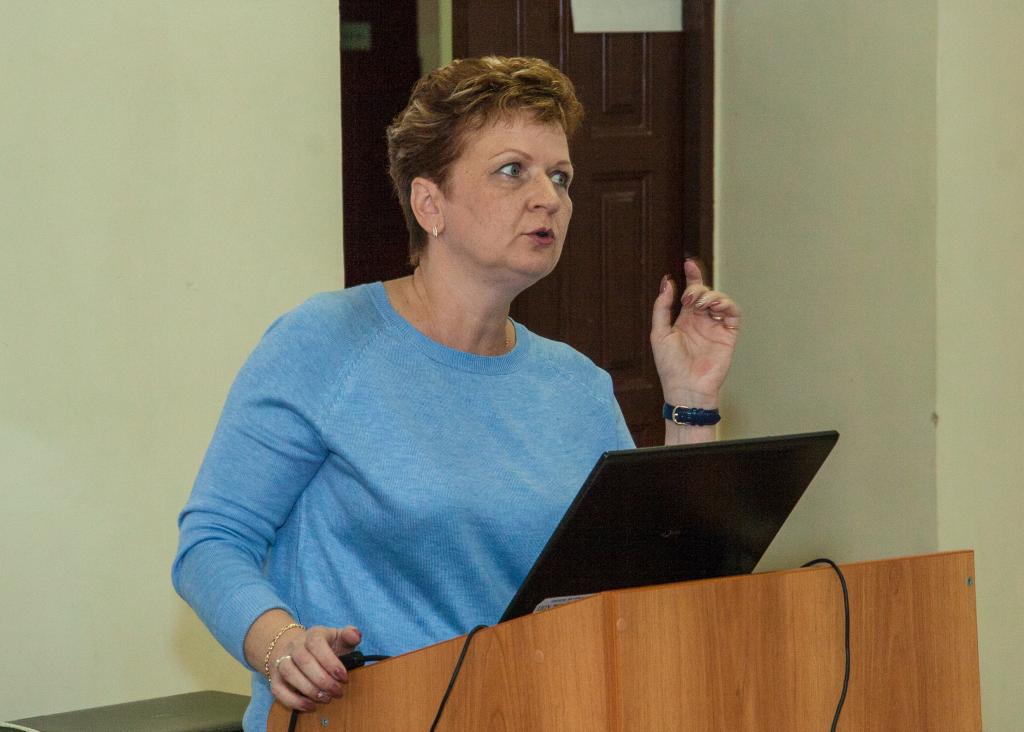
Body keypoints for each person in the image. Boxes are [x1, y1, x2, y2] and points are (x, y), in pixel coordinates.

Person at [172, 56, 740, 731]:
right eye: (512, 170)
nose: (548, 197)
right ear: (429, 204)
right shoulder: (324, 343)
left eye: (560, 177)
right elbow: (213, 542)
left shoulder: (576, 385)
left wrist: (690, 401)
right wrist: (282, 646)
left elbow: (647, 581)